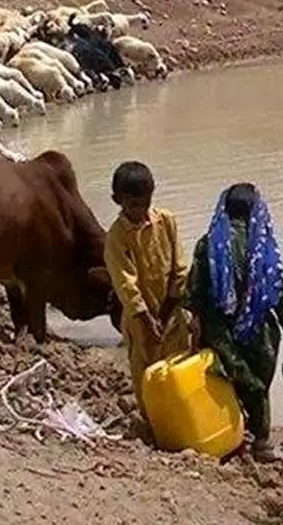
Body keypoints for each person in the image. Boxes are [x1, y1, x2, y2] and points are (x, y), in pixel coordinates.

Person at [187, 182, 283, 462]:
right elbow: (276, 290)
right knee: (257, 386)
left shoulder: (208, 243)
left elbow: (195, 290)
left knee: (227, 382)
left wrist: (195, 322)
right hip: (257, 329)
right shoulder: (261, 244)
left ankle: (227, 432)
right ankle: (261, 442)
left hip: (219, 330)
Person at [103, 161, 194, 425]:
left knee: (178, 371)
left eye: (146, 203)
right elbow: (126, 285)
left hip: (172, 315)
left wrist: (166, 313)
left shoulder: (166, 221)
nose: (141, 211)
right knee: (146, 377)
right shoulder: (117, 238)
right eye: (133, 206)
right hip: (139, 322)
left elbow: (179, 268)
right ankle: (157, 427)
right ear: (117, 201)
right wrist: (146, 318)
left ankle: (186, 424)